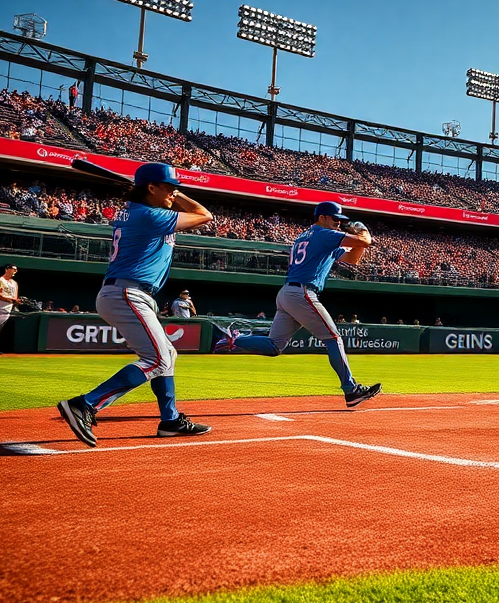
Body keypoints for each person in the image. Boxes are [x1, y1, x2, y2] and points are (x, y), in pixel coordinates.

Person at [56, 163, 215, 446]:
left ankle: (170, 420)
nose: (173, 193)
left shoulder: (142, 211)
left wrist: (164, 193)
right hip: (128, 292)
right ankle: (86, 404)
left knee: (167, 354)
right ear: (151, 188)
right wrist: (175, 197)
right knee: (157, 359)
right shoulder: (149, 215)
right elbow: (204, 215)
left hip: (127, 292)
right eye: (169, 187)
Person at [214, 202, 382, 407]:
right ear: (321, 218)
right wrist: (363, 231)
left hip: (287, 293)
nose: (338, 223)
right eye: (335, 218)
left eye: (341, 220)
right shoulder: (322, 234)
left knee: (275, 346)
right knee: (333, 338)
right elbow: (364, 242)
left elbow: (353, 259)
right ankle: (351, 389)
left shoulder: (310, 236)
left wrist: (357, 243)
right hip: (302, 292)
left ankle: (234, 340)